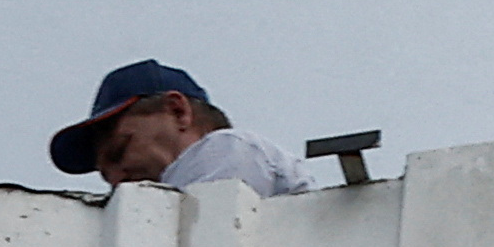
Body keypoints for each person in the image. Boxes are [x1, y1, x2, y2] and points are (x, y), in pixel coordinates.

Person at [47, 60, 313, 197]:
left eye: (120, 150)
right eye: (105, 176)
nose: (116, 180)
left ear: (178, 111)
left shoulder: (226, 148)